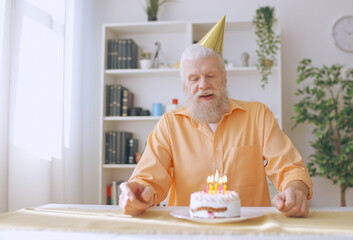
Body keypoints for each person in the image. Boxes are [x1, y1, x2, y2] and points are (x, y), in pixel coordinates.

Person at [119, 16, 313, 218]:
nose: (203, 85)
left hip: (250, 231)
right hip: (189, 231)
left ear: (225, 78)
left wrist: (295, 190)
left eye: (211, 76)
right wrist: (139, 193)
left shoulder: (258, 116)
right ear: (185, 87)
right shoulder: (170, 124)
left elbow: (290, 168)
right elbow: (148, 178)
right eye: (194, 79)